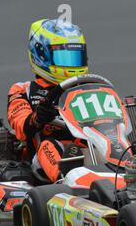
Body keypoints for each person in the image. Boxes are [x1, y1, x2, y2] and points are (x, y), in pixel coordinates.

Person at [7, 19, 88, 182]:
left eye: (75, 57)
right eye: (64, 58)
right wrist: (38, 118)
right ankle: (67, 180)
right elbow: (21, 128)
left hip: (89, 153)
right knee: (50, 145)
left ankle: (131, 171)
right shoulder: (24, 90)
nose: (71, 64)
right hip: (42, 163)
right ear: (41, 55)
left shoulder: (89, 87)